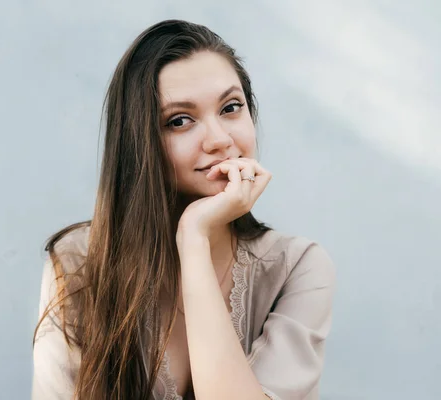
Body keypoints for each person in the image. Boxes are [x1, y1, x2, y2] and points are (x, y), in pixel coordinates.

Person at [31, 19, 336, 400]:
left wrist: (193, 239)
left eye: (231, 107)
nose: (220, 140)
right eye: (180, 121)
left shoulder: (297, 267)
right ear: (139, 143)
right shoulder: (78, 263)